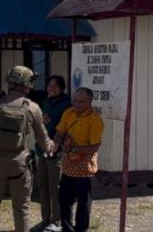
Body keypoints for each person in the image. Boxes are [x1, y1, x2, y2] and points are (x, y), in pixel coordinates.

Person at [0, 65, 55, 232]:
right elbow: (44, 140)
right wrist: (54, 148)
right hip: (20, 165)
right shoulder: (33, 107)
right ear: (28, 84)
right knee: (22, 209)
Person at [52, 88, 104, 232]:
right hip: (68, 165)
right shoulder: (68, 113)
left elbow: (94, 147)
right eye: (75, 100)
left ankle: (81, 229)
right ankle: (67, 229)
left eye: (81, 102)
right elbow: (59, 133)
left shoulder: (95, 119)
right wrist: (54, 145)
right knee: (64, 199)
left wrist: (73, 150)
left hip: (84, 168)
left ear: (90, 102)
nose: (77, 104)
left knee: (83, 203)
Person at [31, 76, 72, 232]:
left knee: (55, 188)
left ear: (62, 88)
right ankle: (45, 219)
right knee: (42, 186)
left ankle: (56, 220)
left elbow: (65, 128)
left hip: (57, 152)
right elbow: (39, 123)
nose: (51, 88)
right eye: (49, 85)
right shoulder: (46, 103)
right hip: (42, 150)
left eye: (55, 86)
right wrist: (41, 120)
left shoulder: (66, 105)